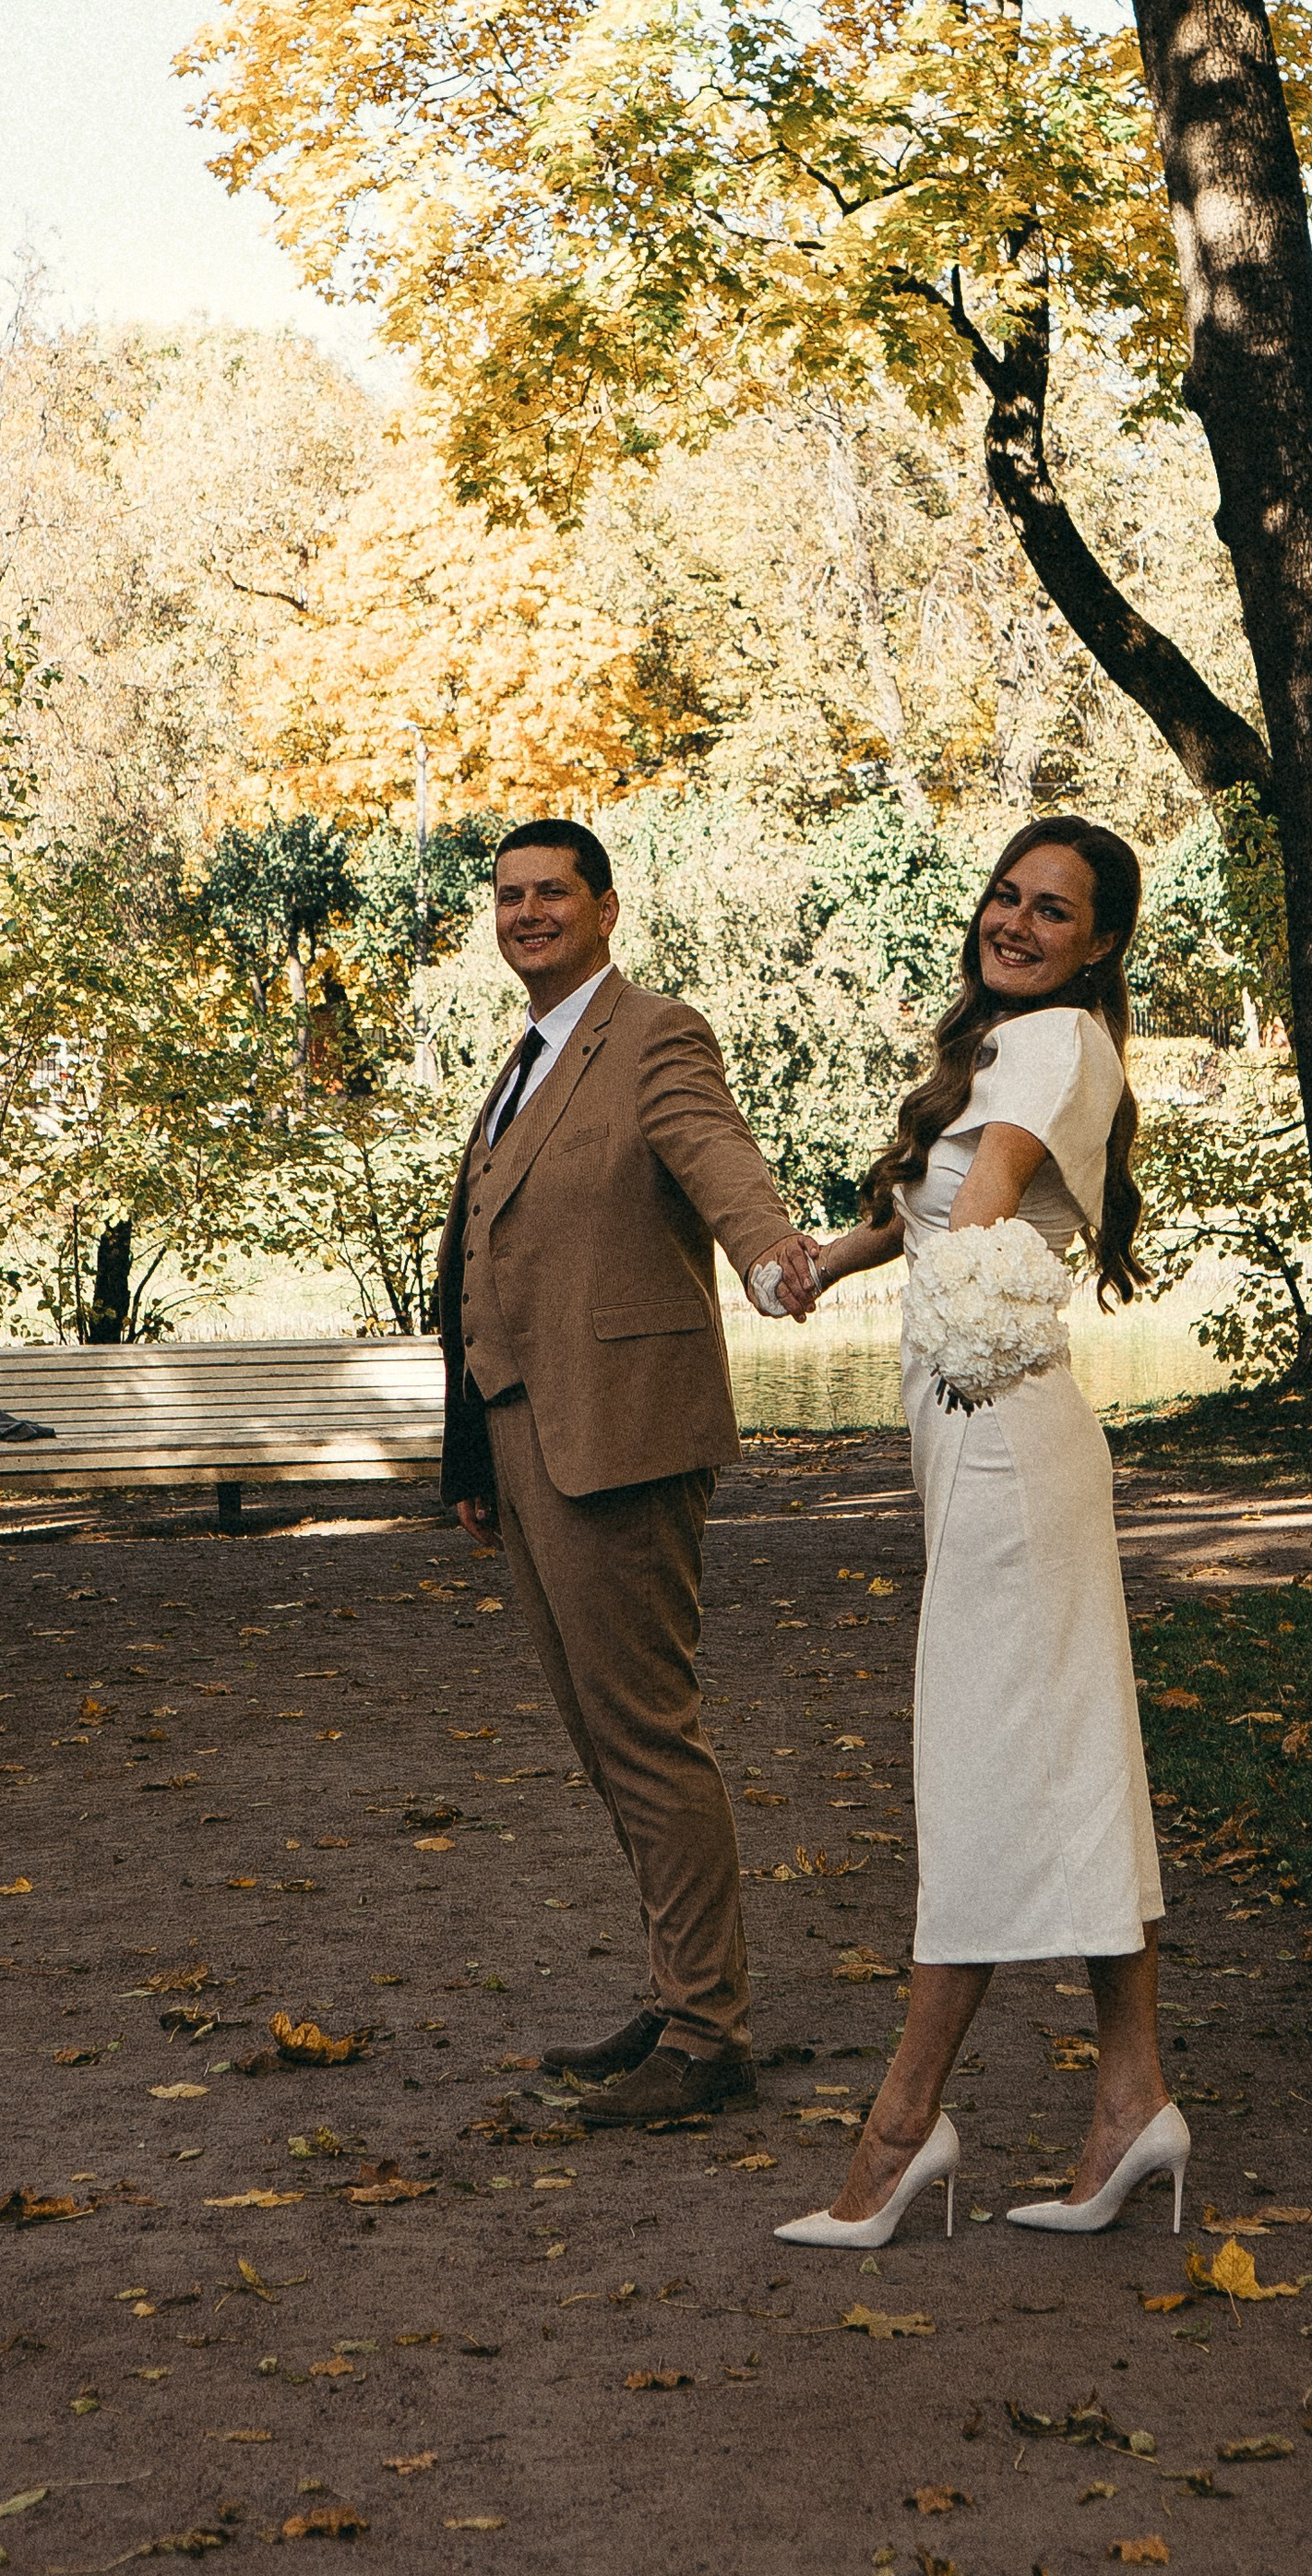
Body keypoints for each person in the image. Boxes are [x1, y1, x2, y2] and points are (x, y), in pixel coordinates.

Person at [771, 815, 1187, 2251]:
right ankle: (1131, 2099)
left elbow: (992, 1203)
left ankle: (902, 2129)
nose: (1014, 921)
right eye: (1006, 897)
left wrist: (946, 1334)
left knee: (983, 1761)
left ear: (1102, 942)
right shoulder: (1016, 1043)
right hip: (987, 1431)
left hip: (1001, 1430)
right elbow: (940, 1214)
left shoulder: (1057, 1043)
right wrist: (828, 1259)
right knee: (1071, 1753)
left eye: (1052, 910)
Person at [437, 819, 821, 2129]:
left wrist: (769, 1255)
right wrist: (470, 1455)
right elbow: (481, 1257)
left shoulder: (654, 1035)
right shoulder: (525, 1060)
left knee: (648, 1738)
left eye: (553, 892)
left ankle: (709, 2035)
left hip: (623, 1437)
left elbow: (717, 1160)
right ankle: (682, 1993)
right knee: (608, 1742)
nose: (527, 913)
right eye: (509, 896)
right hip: (526, 1441)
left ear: (607, 909)